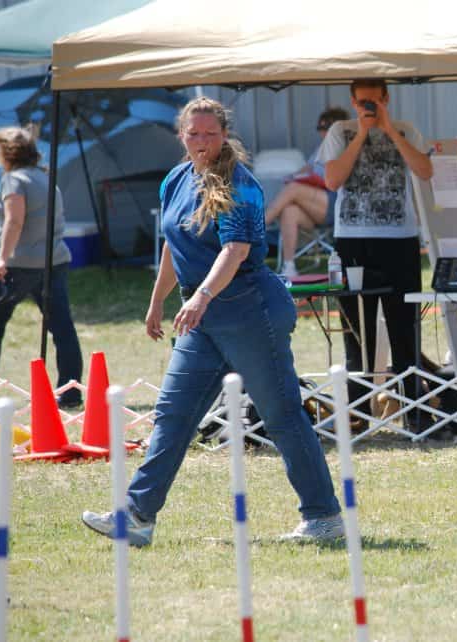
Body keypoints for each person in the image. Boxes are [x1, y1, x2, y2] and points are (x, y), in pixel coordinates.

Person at [82, 97, 342, 546]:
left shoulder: (241, 184)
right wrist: (156, 302)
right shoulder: (175, 180)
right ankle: (137, 516)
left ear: (224, 136)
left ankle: (324, 517)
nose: (202, 142)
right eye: (193, 133)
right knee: (173, 414)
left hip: (248, 309)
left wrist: (201, 296)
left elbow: (235, 250)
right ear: (181, 136)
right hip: (200, 317)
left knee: (280, 415)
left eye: (210, 133)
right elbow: (171, 245)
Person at [316, 79, 433, 426]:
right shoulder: (341, 130)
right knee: (357, 328)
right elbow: (333, 180)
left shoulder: (406, 129)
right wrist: (363, 134)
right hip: (354, 238)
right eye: (361, 102)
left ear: (386, 99)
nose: (367, 108)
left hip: (401, 238)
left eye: (374, 102)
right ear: (352, 101)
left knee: (405, 326)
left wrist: (389, 131)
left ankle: (413, 409)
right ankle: (357, 412)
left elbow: (425, 172)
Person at [0, 126, 83, 409]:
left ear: (6, 154)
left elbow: (14, 220)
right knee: (62, 327)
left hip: (18, 265)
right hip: (53, 260)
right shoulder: (46, 179)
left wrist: (3, 258)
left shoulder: (13, 181)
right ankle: (70, 391)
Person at [265, 106, 349, 278]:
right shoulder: (320, 149)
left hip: (337, 204)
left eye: (327, 127)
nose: (323, 132)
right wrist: (294, 176)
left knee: (293, 189)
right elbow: (306, 169)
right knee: (290, 210)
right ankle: (289, 267)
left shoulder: (346, 147)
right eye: (320, 128)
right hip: (317, 204)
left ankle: (258, 226)